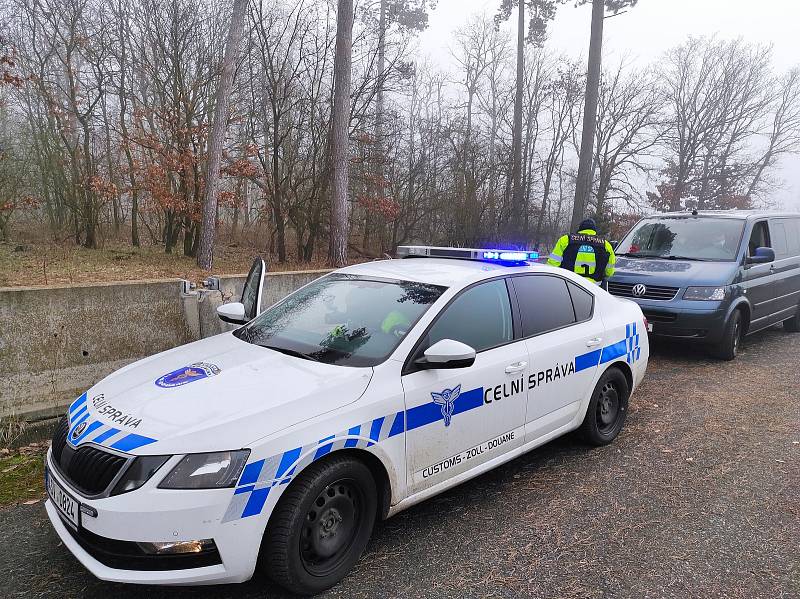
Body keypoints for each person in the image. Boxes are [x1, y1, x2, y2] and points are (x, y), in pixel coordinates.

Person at [547, 218, 616, 284]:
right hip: (594, 289)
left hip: (568, 285)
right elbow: (609, 272)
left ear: (580, 229)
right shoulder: (606, 245)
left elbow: (553, 265)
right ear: (594, 230)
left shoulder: (565, 240)